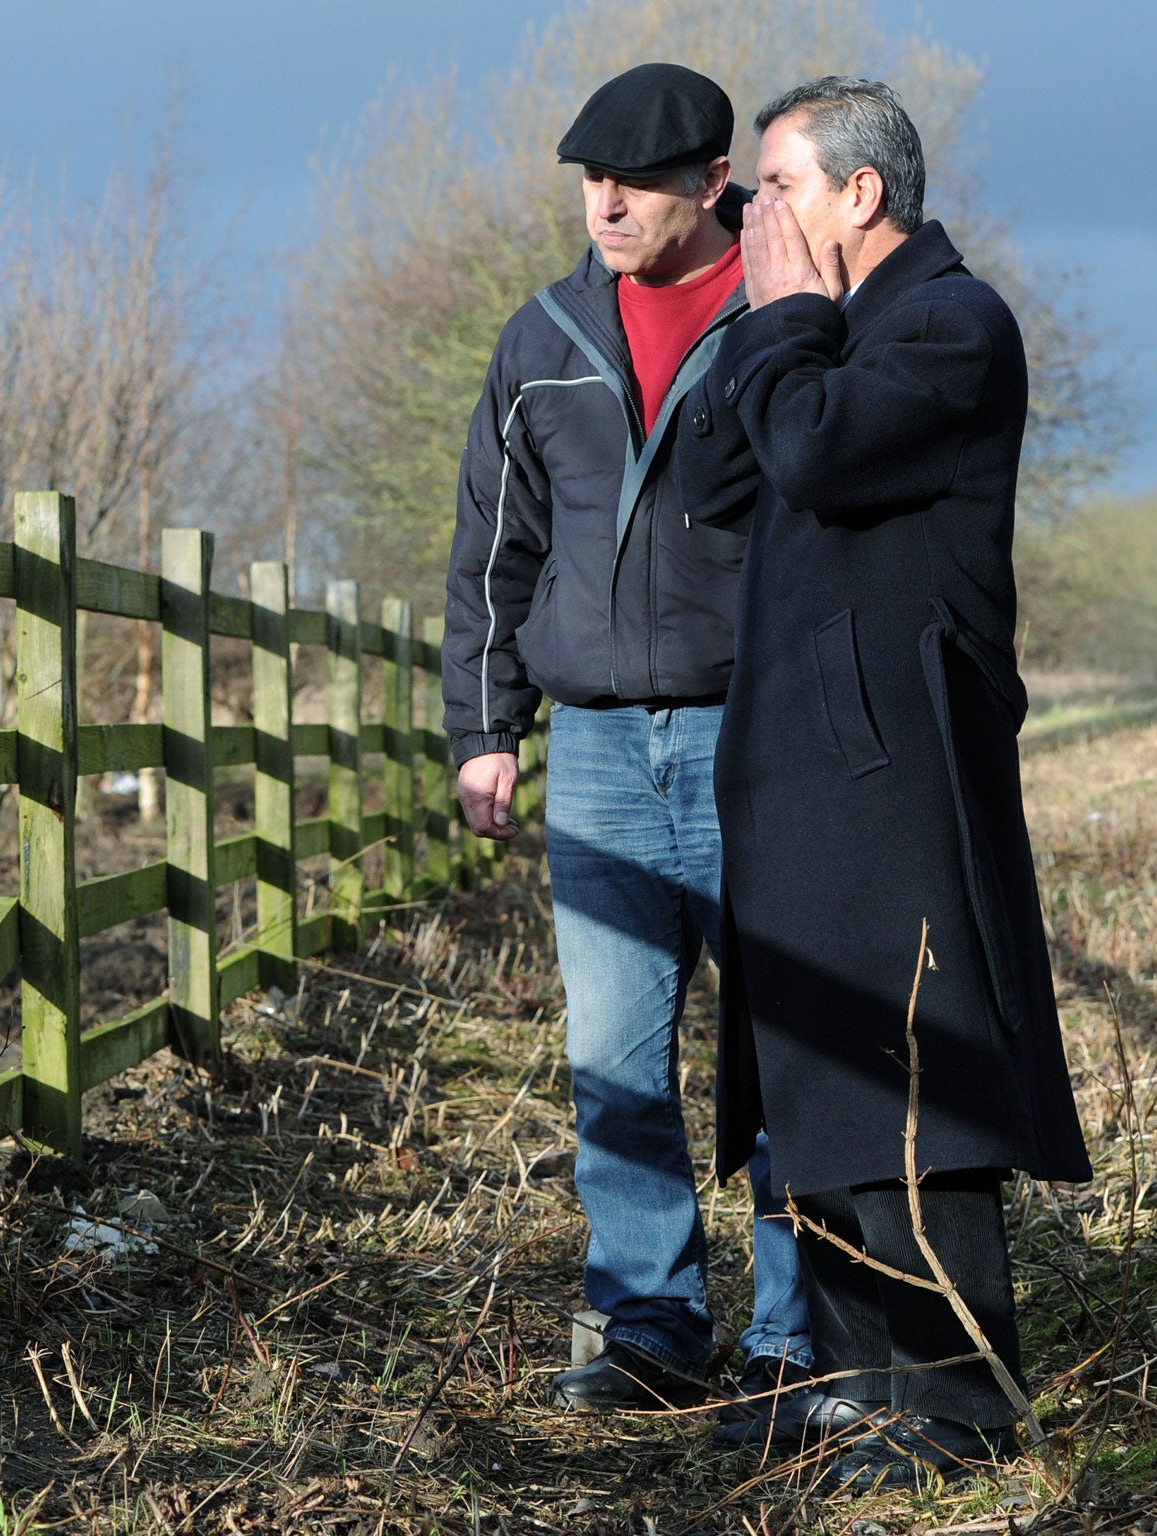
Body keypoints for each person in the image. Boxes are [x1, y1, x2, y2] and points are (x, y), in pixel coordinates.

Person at [676, 76, 1093, 1485]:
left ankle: (964, 1413)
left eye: (779, 188)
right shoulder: (834, 329)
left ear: (862, 195)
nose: (757, 219)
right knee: (822, 1071)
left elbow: (815, 448)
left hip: (893, 757)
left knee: (918, 1063)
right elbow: (718, 483)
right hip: (805, 762)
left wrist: (787, 320)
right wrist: (769, 314)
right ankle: (865, 1385)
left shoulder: (945, 324)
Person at [442, 61, 812, 1415]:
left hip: (747, 739)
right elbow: (494, 544)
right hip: (593, 750)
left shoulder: (786, 321)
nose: (605, 202)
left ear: (711, 183)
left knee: (778, 1047)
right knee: (613, 1056)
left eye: (637, 182)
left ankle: (793, 1331)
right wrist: (486, 727)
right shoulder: (540, 339)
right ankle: (651, 1325)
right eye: (589, 178)